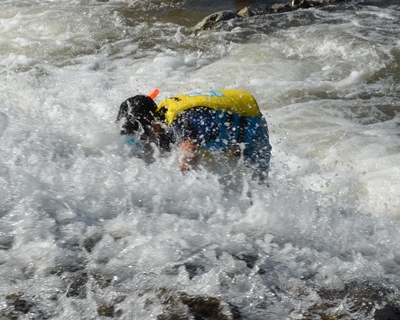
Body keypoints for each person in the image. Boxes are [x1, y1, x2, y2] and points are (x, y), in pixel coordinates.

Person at [116, 89, 272, 182]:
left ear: (155, 126)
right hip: (224, 131)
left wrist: (178, 183)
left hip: (252, 130)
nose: (143, 142)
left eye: (143, 137)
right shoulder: (161, 118)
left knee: (257, 185)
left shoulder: (178, 122)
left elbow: (190, 150)